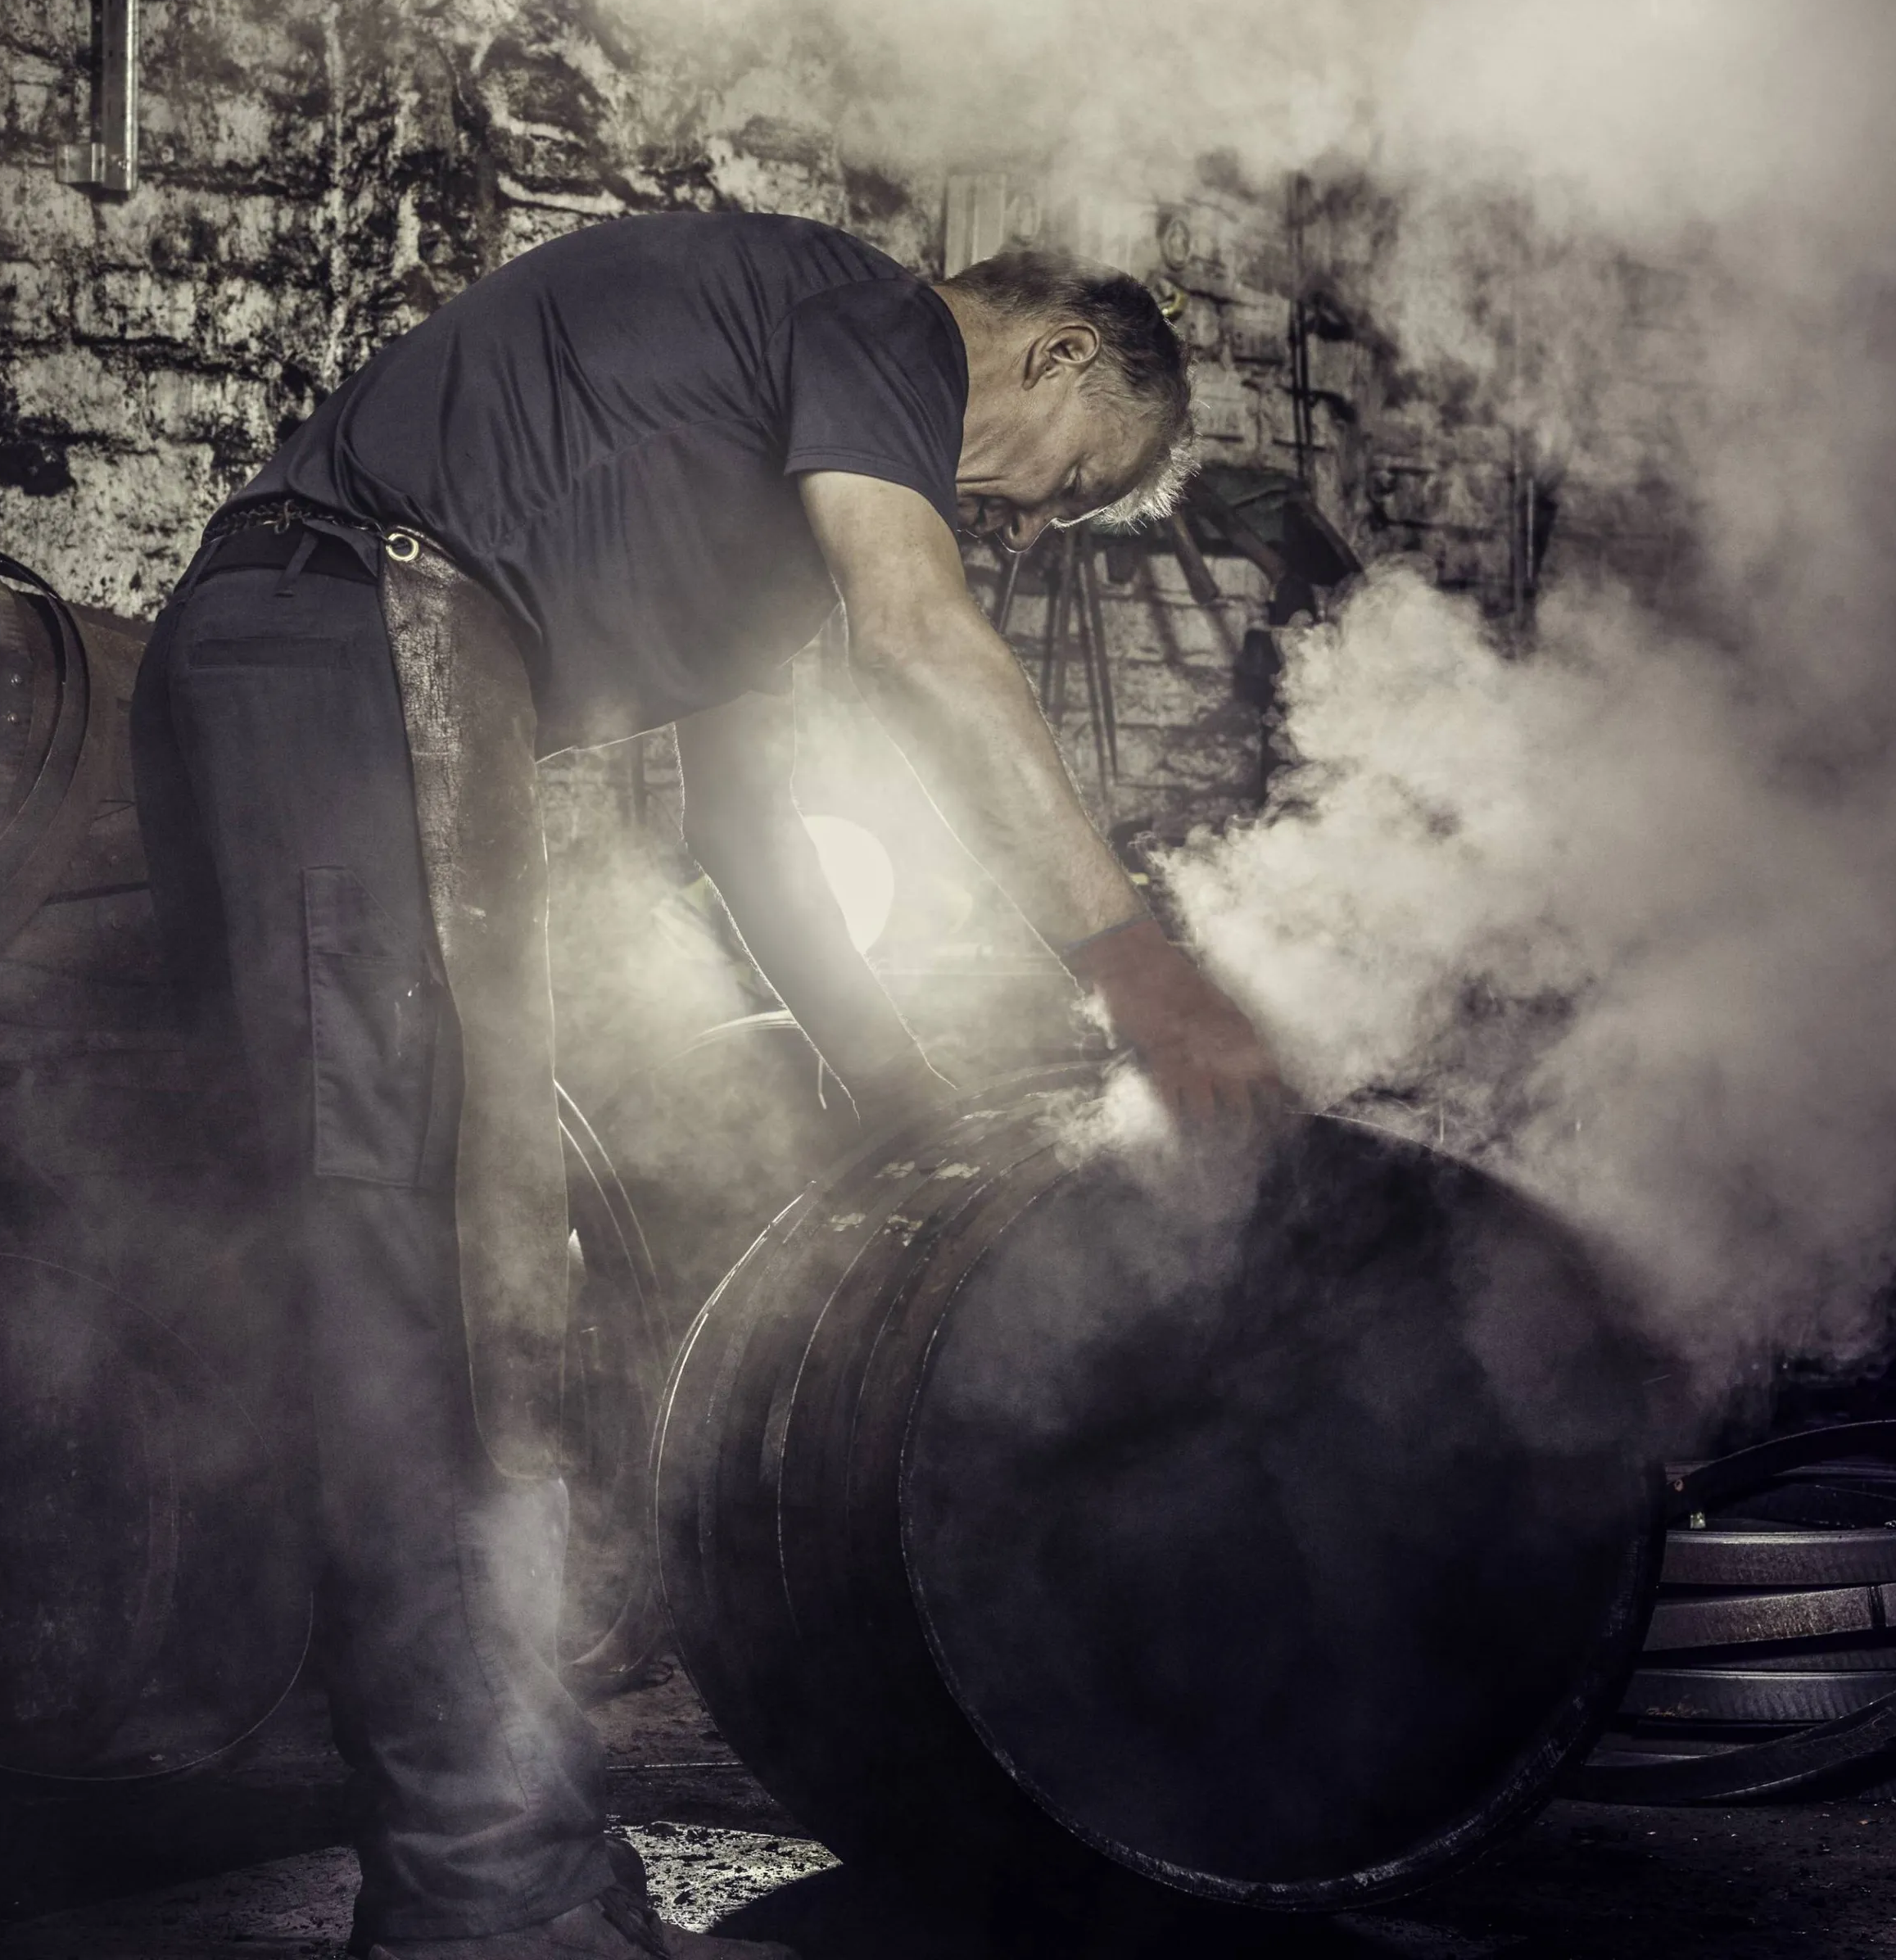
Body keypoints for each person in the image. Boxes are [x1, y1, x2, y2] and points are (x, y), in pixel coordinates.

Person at [130, 211, 1282, 1960]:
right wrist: (1139, 968)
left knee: (461, 1271)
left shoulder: (774, 505)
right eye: (1070, 484)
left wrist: (917, 1115)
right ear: (1056, 352)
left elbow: (743, 827)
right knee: (450, 1278)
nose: (1025, 522)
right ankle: (482, 1898)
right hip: (356, 631)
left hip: (336, 654)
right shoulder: (876, 319)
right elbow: (921, 635)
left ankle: (533, 1858)